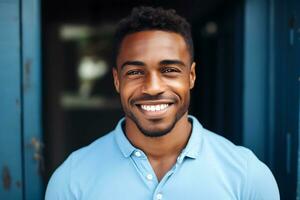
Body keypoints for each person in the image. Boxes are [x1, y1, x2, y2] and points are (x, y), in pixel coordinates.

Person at [45, 6, 280, 200]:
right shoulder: (71, 179)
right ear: (117, 80)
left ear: (191, 76)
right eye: (136, 72)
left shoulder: (248, 176)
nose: (153, 87)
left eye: (169, 70)